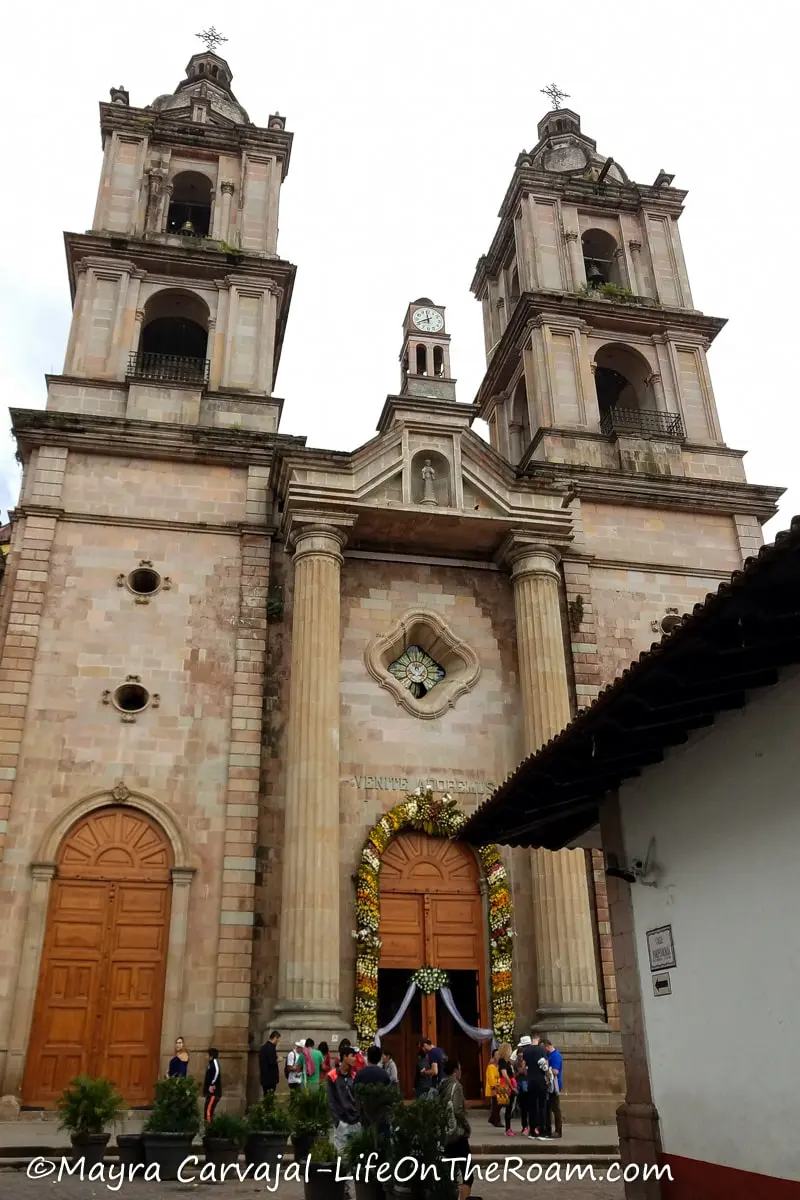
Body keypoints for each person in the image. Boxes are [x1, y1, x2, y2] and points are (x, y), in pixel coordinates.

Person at [440, 1058, 473, 1200]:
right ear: (455, 1071)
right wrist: (466, 1126)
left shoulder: (441, 1084)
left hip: (445, 1133)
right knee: (468, 1172)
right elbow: (458, 1110)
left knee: (451, 1171)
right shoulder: (456, 1086)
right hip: (457, 1134)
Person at [327, 1045, 362, 1157]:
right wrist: (337, 1121)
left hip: (356, 1121)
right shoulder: (332, 1076)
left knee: (356, 1154)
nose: (355, 1059)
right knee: (341, 1155)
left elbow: (358, 1098)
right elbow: (330, 1100)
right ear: (345, 1057)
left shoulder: (355, 1075)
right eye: (353, 1056)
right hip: (341, 1121)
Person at [521, 1035, 550, 1140]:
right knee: (542, 1105)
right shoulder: (541, 1050)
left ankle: (532, 1131)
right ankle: (542, 1131)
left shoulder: (526, 1051)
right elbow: (545, 1065)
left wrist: (528, 1074)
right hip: (540, 1080)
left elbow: (523, 1067)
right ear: (537, 1039)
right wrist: (548, 1077)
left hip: (531, 1081)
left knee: (532, 1106)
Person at [542, 1037, 563, 1139]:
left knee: (555, 1108)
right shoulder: (549, 1055)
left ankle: (558, 1130)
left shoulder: (555, 1056)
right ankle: (548, 1129)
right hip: (549, 1086)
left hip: (554, 1086)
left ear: (547, 1046)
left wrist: (546, 1069)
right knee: (548, 1108)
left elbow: (555, 1071)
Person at [495, 1041, 516, 1136]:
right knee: (508, 1107)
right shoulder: (503, 1061)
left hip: (509, 1084)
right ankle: (508, 1128)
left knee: (510, 1106)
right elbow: (504, 1074)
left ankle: (508, 1128)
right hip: (506, 1085)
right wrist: (511, 1086)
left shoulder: (506, 1061)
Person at [513, 1040, 530, 1135]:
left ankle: (530, 1126)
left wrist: (524, 1068)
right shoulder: (515, 1063)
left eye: (522, 1055)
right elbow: (515, 1074)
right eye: (519, 1055)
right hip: (519, 1084)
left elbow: (527, 1073)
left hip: (527, 1084)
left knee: (529, 1108)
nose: (520, 1057)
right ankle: (524, 1126)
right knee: (523, 1107)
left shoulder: (527, 1062)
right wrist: (520, 1071)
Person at [259, 1030, 280, 1096]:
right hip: (270, 1079)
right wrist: (279, 1059)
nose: (278, 1042)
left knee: (266, 1095)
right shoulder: (270, 1047)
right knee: (269, 1097)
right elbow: (272, 1061)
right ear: (275, 1038)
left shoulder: (263, 1047)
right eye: (278, 1040)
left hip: (264, 1077)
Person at [203, 1048, 221, 1122]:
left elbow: (217, 1072)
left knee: (208, 1111)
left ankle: (209, 1128)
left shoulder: (214, 1062)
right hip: (210, 1092)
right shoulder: (210, 1063)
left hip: (214, 1092)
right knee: (207, 1109)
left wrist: (212, 1084)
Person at [485, 1047, 501, 1126]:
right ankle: (496, 1120)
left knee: (498, 1104)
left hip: (499, 1087)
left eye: (499, 1054)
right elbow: (491, 1078)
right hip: (494, 1088)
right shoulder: (491, 1066)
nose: (498, 1056)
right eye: (496, 1054)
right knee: (496, 1104)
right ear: (493, 1056)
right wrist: (493, 1087)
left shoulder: (499, 1065)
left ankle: (493, 1119)